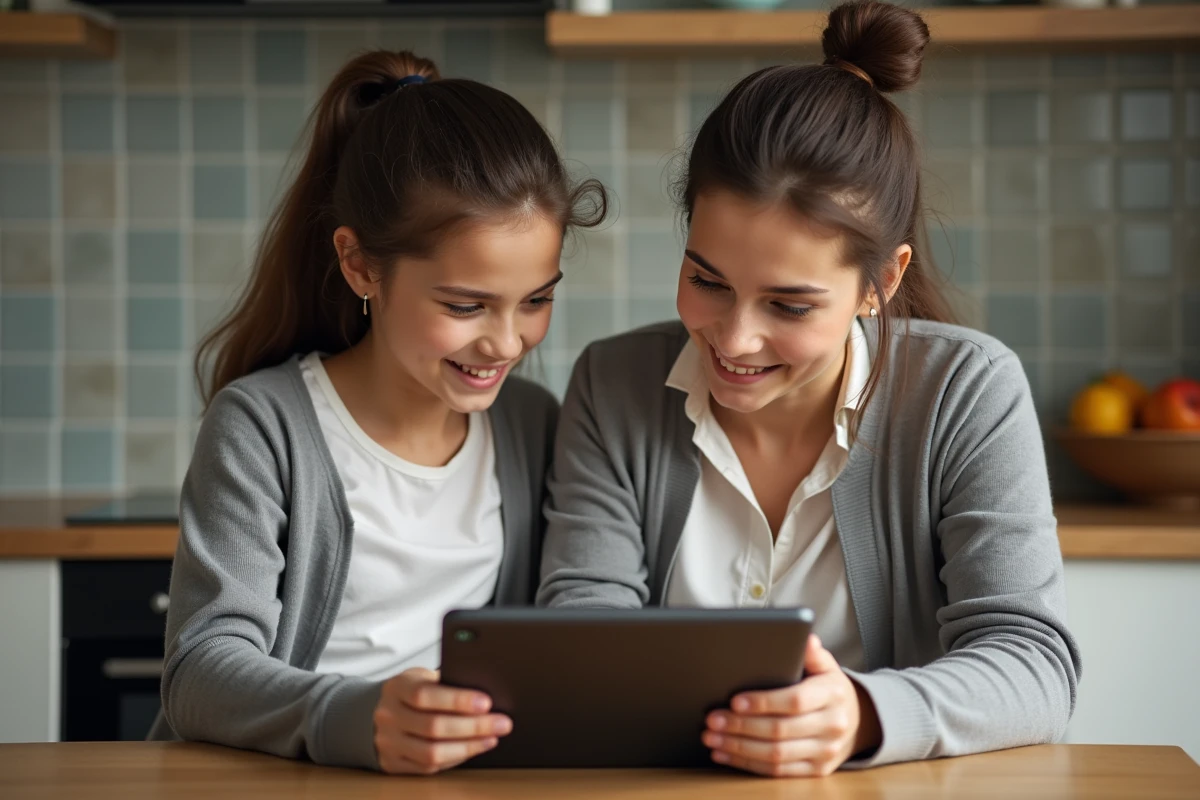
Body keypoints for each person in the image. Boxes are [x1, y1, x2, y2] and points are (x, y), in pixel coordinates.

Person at [538, 0, 1080, 777]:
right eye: (707, 281)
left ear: (880, 283)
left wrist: (862, 714)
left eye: (788, 305)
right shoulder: (613, 383)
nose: (734, 338)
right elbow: (582, 630)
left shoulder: (967, 391)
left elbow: (1033, 665)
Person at [150, 50, 606, 774]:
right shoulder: (262, 426)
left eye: (536, 300)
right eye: (465, 305)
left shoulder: (531, 425)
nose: (507, 342)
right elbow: (200, 671)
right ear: (360, 265)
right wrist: (358, 718)